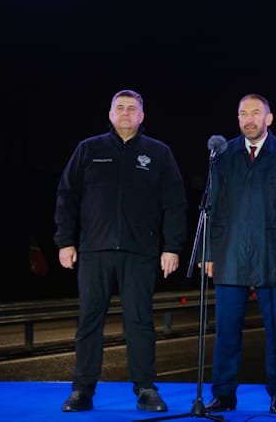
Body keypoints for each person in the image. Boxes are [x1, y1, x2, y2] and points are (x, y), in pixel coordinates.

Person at [54, 90, 187, 413]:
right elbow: (67, 196)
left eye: (132, 108)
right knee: (89, 321)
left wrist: (172, 247)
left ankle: (146, 389)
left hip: (140, 252)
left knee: (140, 322)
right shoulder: (88, 149)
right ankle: (81, 390)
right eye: (120, 108)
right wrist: (65, 241)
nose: (126, 113)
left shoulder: (159, 153)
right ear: (110, 114)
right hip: (94, 250)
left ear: (142, 116)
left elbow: (174, 203)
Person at [203, 94, 276, 415]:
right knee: (226, 332)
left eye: (255, 113)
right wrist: (209, 253)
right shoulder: (222, 154)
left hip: (272, 255)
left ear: (269, 118)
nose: (249, 119)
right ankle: (223, 394)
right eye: (243, 114)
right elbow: (212, 207)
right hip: (229, 254)